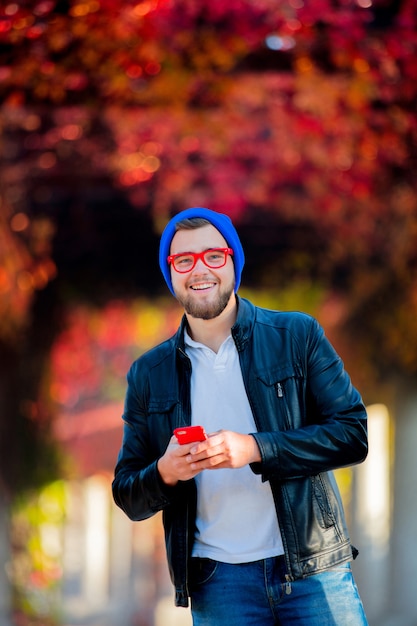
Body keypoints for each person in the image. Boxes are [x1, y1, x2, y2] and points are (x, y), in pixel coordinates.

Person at [112, 207, 369, 626]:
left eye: (214, 255)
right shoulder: (149, 373)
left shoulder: (297, 336)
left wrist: (254, 447)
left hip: (313, 568)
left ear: (233, 261)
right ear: (171, 272)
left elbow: (353, 434)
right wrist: (166, 470)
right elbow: (128, 494)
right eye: (184, 260)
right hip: (219, 583)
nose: (200, 269)